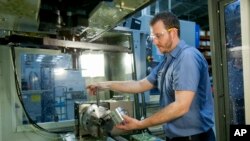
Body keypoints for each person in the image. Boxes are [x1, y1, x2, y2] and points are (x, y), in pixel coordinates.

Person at [87, 11, 215, 141]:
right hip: (176, 137)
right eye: (153, 36)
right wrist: (104, 85)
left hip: (194, 137)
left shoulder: (187, 57)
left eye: (158, 36)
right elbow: (140, 85)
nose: (154, 41)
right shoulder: (166, 62)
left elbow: (180, 106)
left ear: (173, 33)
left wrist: (140, 124)